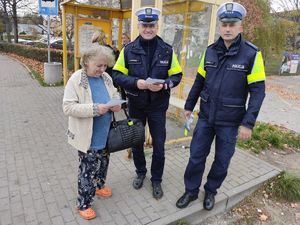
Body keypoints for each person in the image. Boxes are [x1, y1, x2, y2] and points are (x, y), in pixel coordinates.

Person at [176, 2, 266, 210]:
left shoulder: (252, 54)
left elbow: (258, 92)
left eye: (232, 24)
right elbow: (199, 81)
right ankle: (191, 191)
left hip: (230, 121)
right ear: (219, 27)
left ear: (240, 27)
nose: (227, 28)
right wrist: (189, 106)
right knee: (196, 156)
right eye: (224, 24)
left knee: (222, 161)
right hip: (206, 117)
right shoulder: (209, 52)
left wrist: (248, 123)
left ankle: (210, 191)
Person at [112, 7, 182, 199]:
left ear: (157, 26)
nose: (148, 29)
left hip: (158, 106)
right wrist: (137, 83)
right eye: (145, 25)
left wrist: (166, 85)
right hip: (136, 103)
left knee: (159, 144)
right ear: (139, 26)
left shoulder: (167, 50)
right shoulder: (128, 50)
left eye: (151, 25)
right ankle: (141, 172)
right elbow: (116, 75)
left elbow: (177, 75)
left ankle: (156, 179)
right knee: (137, 141)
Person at [63, 44, 121, 220]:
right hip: (87, 137)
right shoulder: (76, 79)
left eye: (105, 66)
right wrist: (96, 109)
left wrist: (116, 102)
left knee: (103, 164)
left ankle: (99, 186)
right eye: (99, 66)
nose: (103, 69)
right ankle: (84, 203)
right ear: (87, 62)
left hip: (105, 134)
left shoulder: (106, 78)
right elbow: (68, 107)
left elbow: (115, 93)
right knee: (87, 170)